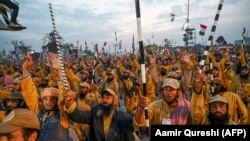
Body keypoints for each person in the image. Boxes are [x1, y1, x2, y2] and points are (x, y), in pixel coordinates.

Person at [64, 88, 136, 141]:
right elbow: (79, 117)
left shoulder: (124, 118)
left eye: (108, 97)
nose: (104, 100)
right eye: (103, 97)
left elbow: (129, 138)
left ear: (114, 100)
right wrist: (71, 102)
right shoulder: (95, 112)